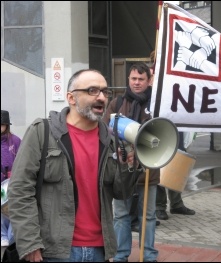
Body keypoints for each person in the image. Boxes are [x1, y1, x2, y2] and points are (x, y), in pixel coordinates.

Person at [7, 69, 137, 262]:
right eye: (92, 90)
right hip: (54, 251)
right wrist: (30, 243)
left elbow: (121, 193)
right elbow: (19, 190)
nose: (101, 97)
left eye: (105, 91)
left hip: (100, 250)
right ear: (71, 98)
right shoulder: (43, 132)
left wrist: (130, 167)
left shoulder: (110, 141)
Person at [103, 62, 159, 262]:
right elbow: (104, 131)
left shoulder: (157, 104)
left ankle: (148, 254)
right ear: (128, 79)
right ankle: (120, 254)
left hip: (148, 170)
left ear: (149, 80)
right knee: (120, 215)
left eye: (141, 79)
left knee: (149, 215)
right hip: (122, 169)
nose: (137, 83)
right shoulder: (117, 104)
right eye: (133, 79)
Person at [155, 132, 195, 220]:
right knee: (160, 172)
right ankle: (159, 207)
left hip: (177, 130)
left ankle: (176, 204)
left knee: (177, 168)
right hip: (161, 133)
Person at [1, 110, 21, 247]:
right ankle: (2, 236)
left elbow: (23, 159)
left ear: (6, 125)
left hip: (12, 183)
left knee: (14, 210)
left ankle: (12, 239)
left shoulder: (15, 141)